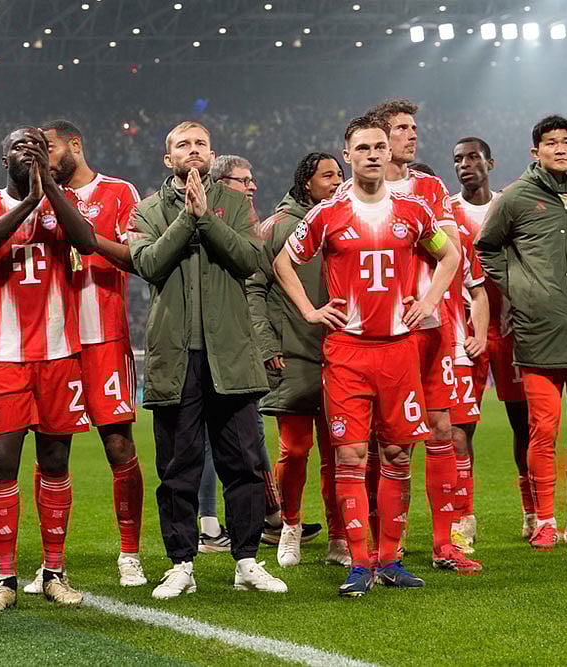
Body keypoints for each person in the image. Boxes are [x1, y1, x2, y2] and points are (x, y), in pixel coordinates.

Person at [274, 113, 459, 597]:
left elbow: (451, 255)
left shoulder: (415, 210)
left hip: (400, 350)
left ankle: (392, 558)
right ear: (349, 154)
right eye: (364, 147)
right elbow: (282, 261)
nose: (374, 154)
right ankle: (360, 562)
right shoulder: (327, 213)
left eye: (380, 146)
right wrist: (311, 311)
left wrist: (431, 299)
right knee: (352, 455)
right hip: (349, 352)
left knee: (398, 453)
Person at [128, 121, 286, 599]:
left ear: (210, 152)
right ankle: (181, 563)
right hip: (175, 357)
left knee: (242, 463)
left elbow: (249, 261)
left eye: (200, 144)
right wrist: (188, 219)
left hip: (232, 354)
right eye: (183, 145)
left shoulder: (236, 204)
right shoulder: (148, 210)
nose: (192, 150)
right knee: (178, 467)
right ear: (167, 158)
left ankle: (246, 560)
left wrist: (208, 218)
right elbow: (149, 264)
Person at [2, 119, 147, 590]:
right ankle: (51, 562)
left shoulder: (119, 192)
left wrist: (87, 238)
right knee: (51, 449)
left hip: (103, 333)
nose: (41, 155)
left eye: (50, 146)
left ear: (75, 145)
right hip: (52, 341)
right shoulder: (38, 198)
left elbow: (136, 258)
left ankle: (130, 554)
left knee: (118, 445)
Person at [0, 127, 97, 614]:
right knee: (1, 465)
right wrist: (29, 203)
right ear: (3, 159)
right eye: (19, 146)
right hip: (5, 358)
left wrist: (50, 194)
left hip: (61, 356)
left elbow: (88, 240)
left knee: (56, 464)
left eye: (37, 146)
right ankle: (4, 579)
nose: (29, 152)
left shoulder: (64, 203)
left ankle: (54, 572)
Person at [476, 114, 567, 549]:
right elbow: (487, 248)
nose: (560, 148)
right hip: (539, 332)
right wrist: (520, 288)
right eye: (551, 142)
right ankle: (543, 521)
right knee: (544, 429)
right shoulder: (516, 197)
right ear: (534, 152)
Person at [364, 99, 480, 573]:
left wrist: (428, 301)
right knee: (385, 442)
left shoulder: (430, 187)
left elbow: (447, 251)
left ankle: (444, 543)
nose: (412, 136)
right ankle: (385, 544)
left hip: (430, 329)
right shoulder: (357, 195)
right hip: (378, 334)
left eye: (414, 128)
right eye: (401, 129)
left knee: (441, 433)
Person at [248, 152, 346, 568]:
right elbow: (253, 290)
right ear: (306, 182)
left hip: (343, 353)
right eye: (328, 175)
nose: (337, 181)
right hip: (295, 354)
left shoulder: (348, 220)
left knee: (340, 451)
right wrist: (268, 345)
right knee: (296, 449)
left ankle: (340, 535)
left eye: (340, 175)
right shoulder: (278, 227)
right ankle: (289, 527)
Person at [202, 154, 293, 552]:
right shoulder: (216, 221)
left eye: (253, 179)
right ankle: (219, 525)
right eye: (243, 180)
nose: (252, 186)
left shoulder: (246, 220)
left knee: (243, 436)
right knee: (224, 438)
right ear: (222, 184)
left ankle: (266, 517)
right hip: (223, 342)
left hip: (239, 343)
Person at [447, 138, 499, 548]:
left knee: (520, 420)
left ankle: (536, 516)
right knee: (436, 432)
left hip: (499, 328)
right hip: (448, 332)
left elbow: (477, 287)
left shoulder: (508, 205)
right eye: (457, 160)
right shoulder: (446, 214)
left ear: (489, 163)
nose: (465, 165)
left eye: (472, 157)